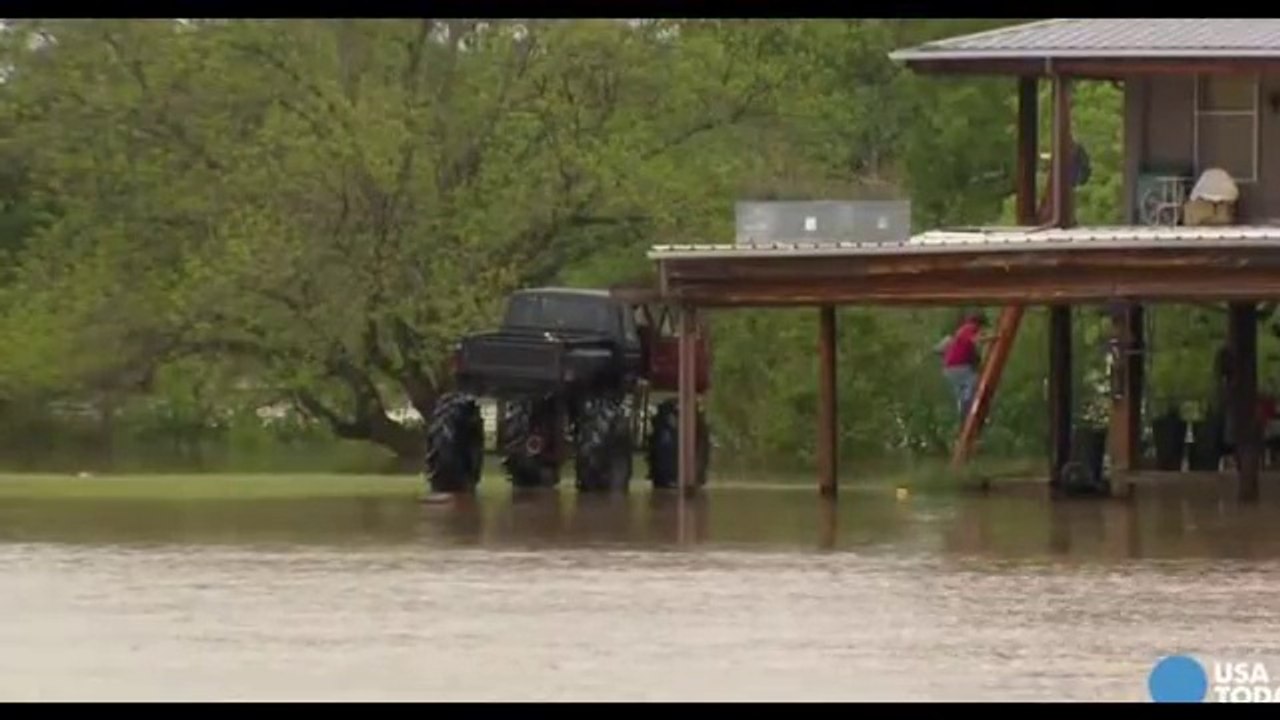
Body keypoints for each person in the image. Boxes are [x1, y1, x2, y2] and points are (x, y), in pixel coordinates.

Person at [938, 313, 989, 421]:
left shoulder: (962, 331)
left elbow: (972, 350)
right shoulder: (969, 328)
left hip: (951, 367)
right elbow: (975, 340)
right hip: (958, 365)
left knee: (964, 391)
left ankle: (965, 415)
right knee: (974, 384)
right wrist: (993, 338)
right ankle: (967, 412)